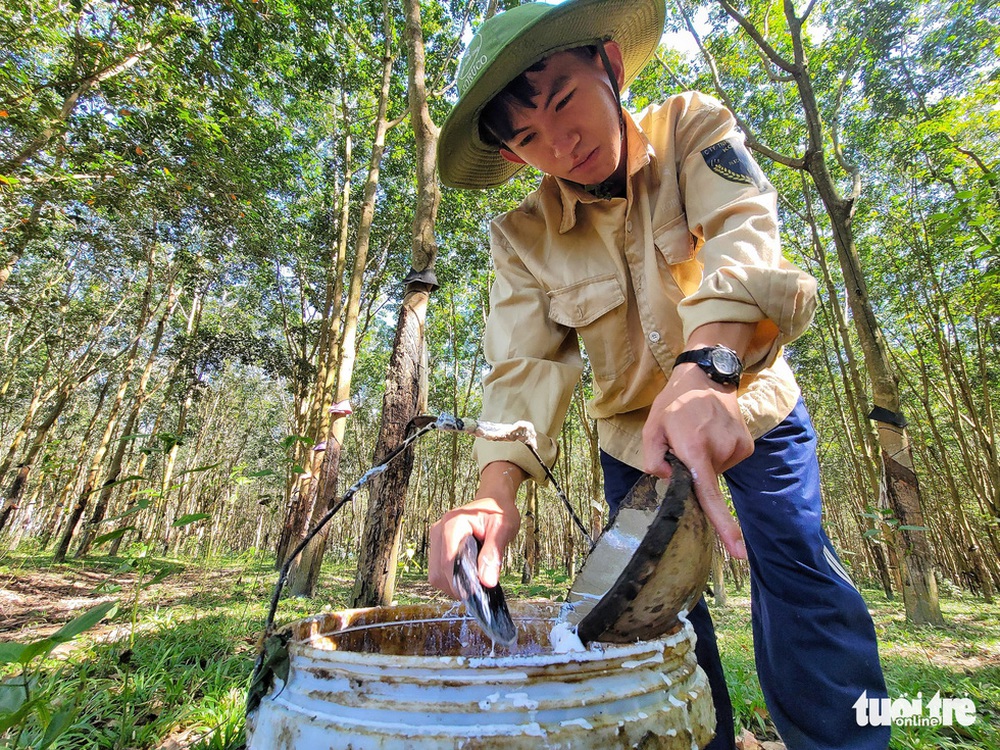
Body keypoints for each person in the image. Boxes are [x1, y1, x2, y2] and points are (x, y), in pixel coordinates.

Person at [428, 1, 890, 748]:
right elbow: (522, 364)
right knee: (651, 617)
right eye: (527, 137)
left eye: (564, 101)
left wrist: (708, 368)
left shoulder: (691, 128)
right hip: (632, 449)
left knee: (801, 577)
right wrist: (492, 494)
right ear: (512, 156)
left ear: (609, 65)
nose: (561, 141)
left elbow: (746, 225)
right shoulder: (520, 239)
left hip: (747, 409)